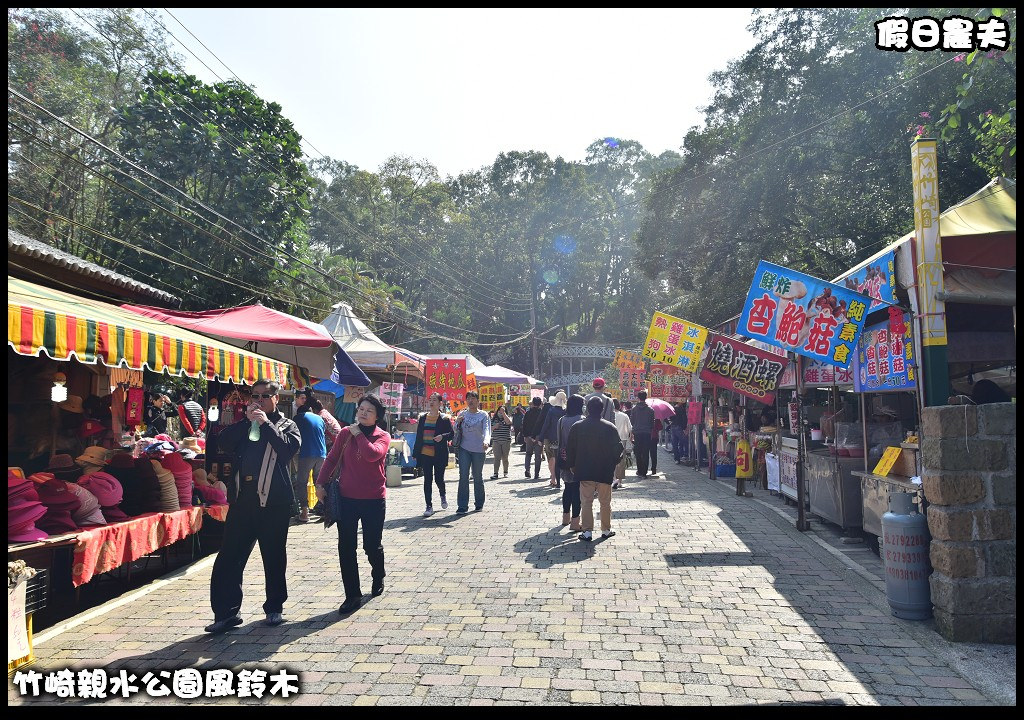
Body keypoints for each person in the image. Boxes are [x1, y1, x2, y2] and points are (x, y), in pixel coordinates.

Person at [206, 379, 301, 633]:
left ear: (276, 398)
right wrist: (248, 421)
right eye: (254, 396)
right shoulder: (245, 424)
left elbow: (286, 450)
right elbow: (224, 443)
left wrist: (265, 423)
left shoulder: (287, 425)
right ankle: (225, 614)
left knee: (273, 556)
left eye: (264, 396)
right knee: (229, 556)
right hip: (243, 498)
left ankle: (274, 607)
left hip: (274, 502)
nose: (258, 401)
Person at [316, 394, 391, 615]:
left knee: (371, 545)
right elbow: (331, 458)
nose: (363, 413)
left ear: (377, 416)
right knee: (346, 547)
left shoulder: (382, 436)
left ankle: (378, 573)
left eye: (369, 410)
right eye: (361, 409)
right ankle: (352, 594)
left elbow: (371, 454)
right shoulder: (345, 434)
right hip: (347, 498)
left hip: (374, 499)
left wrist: (358, 434)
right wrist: (320, 483)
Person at [567, 396, 624, 542]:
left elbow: (570, 449)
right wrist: (613, 463)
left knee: (586, 501)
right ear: (602, 409)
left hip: (584, 470)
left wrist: (573, 466)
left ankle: (587, 532)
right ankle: (605, 530)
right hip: (604, 470)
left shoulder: (577, 427)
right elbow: (619, 449)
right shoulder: (610, 427)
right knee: (605, 502)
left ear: (587, 409)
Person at [412, 392, 454, 517]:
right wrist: (416, 452)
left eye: (434, 400)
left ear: (440, 403)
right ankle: (428, 505)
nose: (431, 402)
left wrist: (442, 436)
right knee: (427, 480)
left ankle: (442, 495)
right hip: (425, 453)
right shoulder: (423, 418)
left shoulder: (444, 419)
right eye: (430, 400)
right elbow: (419, 436)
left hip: (439, 453)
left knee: (439, 479)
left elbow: (451, 434)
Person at [455, 390, 490, 513]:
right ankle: (462, 505)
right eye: (468, 398)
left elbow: (486, 429)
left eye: (473, 398)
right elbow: (455, 429)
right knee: (463, 476)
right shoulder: (462, 414)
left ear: (478, 401)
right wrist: (457, 422)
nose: (470, 401)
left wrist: (486, 441)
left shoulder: (483, 415)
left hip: (479, 449)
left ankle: (479, 503)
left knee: (477, 476)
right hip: (464, 448)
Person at [292, 396, 326, 524]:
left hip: (306, 454)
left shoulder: (298, 418)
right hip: (322, 454)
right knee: (319, 482)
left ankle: (304, 512)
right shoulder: (320, 418)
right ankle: (325, 510)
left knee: (302, 483)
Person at [556, 394, 585, 530]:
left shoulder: (561, 420)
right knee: (577, 491)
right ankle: (575, 522)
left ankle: (565, 518)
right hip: (579, 459)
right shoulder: (582, 419)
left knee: (567, 488)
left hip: (564, 458)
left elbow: (560, 440)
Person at [537, 391, 567, 488]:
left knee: (552, 458)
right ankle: (561, 480)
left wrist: (540, 437)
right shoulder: (566, 411)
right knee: (561, 458)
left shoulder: (551, 410)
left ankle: (554, 478)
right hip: (563, 438)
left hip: (551, 437)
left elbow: (546, 425)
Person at [630, 390, 656, 477]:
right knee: (645, 452)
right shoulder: (650, 410)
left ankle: (639, 470)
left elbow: (632, 421)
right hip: (647, 432)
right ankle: (644, 471)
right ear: (646, 397)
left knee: (638, 452)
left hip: (637, 432)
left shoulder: (634, 409)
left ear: (638, 398)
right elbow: (652, 423)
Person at [611, 398, 634, 489]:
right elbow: (630, 428)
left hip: (611, 440)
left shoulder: (609, 416)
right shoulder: (624, 416)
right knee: (621, 461)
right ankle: (620, 481)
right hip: (623, 439)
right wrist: (630, 438)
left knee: (611, 460)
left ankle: (613, 479)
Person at [521, 397, 544, 479]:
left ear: (533, 403)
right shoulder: (542, 413)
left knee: (528, 454)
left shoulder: (528, 413)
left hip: (529, 436)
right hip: (538, 436)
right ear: (540, 404)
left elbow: (524, 425)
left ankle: (527, 469)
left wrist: (525, 436)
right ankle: (536, 474)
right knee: (538, 456)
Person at [489, 405, 514, 479]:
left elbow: (509, 422)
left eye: (502, 410)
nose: (501, 412)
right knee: (497, 458)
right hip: (496, 441)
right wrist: (494, 427)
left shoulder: (507, 418)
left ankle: (505, 472)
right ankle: (495, 473)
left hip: (506, 440)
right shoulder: (493, 419)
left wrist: (503, 413)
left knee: (505, 457)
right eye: (500, 410)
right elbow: (489, 428)